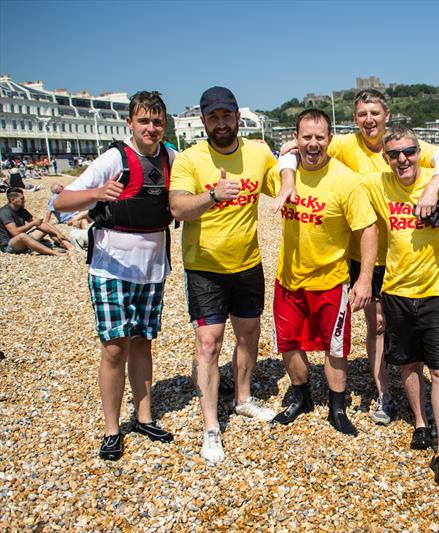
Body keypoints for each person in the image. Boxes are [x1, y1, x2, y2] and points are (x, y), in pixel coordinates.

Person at [277, 89, 439, 425]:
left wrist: (434, 186)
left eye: (374, 112)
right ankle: (384, 395)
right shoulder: (346, 145)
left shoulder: (403, 147)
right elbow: (293, 150)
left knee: (410, 329)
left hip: (408, 257)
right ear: (354, 119)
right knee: (377, 327)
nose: (368, 119)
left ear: (387, 114)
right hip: (365, 256)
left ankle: (424, 395)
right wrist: (288, 174)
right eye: (362, 114)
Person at [53, 91, 176, 460]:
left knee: (141, 342)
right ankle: (111, 429)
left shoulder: (171, 156)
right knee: (113, 347)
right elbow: (59, 204)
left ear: (163, 125)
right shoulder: (114, 158)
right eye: (143, 121)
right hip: (110, 266)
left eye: (156, 122)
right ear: (130, 124)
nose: (150, 128)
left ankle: (143, 417)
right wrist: (97, 192)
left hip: (152, 267)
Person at [169, 86, 280, 464]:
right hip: (204, 267)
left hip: (248, 263)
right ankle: (212, 427)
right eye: (213, 117)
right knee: (209, 343)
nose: (221, 124)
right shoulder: (189, 159)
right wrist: (214, 195)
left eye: (226, 116)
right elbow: (179, 208)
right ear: (204, 121)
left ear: (237, 117)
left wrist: (295, 169)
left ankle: (244, 398)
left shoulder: (258, 152)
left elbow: (283, 179)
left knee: (249, 336)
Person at [363, 125, 439, 486]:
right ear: (385, 157)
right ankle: (420, 422)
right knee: (408, 364)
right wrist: (287, 154)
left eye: (409, 151)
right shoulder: (379, 185)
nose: (402, 159)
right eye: (394, 154)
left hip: (437, 293)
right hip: (396, 291)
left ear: (418, 150)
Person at [266, 109, 378, 437]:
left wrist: (365, 279)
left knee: (336, 347)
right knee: (288, 344)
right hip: (289, 279)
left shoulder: (346, 180)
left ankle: (337, 408)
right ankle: (301, 398)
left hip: (332, 281)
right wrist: (286, 161)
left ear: (330, 140)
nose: (313, 144)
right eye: (306, 137)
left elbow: (368, 229)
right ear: (295, 139)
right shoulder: (283, 172)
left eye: (319, 137)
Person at [0, 187, 70, 256]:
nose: (24, 200)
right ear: (12, 200)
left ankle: (68, 245)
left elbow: (40, 223)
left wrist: (58, 233)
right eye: (22, 199)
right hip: (9, 245)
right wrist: (32, 224)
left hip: (23, 241)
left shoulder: (21, 210)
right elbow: (15, 232)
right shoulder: (5, 212)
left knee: (46, 225)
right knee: (22, 236)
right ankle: (53, 253)